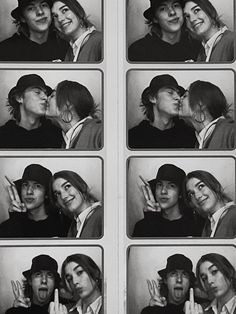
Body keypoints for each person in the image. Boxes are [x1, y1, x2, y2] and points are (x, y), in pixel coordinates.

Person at [132, 164, 203, 237]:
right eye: (159, 185)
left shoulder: (196, 225)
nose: (163, 191)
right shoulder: (142, 226)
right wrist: (151, 221)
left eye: (171, 186)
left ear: (180, 193)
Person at [0, 164, 70, 237]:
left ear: (46, 194)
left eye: (37, 186)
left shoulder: (63, 225)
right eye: (25, 185)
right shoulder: (9, 225)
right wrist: (16, 220)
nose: (29, 191)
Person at [128, 74, 196, 149]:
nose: (178, 98)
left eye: (179, 94)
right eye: (170, 92)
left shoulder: (189, 135)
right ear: (152, 98)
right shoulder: (134, 137)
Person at [0, 74, 63, 149]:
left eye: (46, 93)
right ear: (19, 98)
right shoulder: (3, 135)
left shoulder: (56, 135)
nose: (45, 97)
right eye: (37, 92)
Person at [128, 0, 201, 62]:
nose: (172, 12)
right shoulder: (139, 51)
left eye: (175, 5)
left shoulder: (197, 45)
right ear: (155, 18)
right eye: (163, 9)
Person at [0, 0, 68, 61]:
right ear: (22, 18)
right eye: (31, 8)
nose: (40, 12)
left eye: (43, 5)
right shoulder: (5, 50)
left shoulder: (65, 45)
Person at [46, 80, 102, 150]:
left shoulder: (100, 132)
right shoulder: (65, 141)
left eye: (52, 96)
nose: (46, 98)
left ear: (68, 103)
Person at [179, 80, 235, 149]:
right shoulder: (200, 141)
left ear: (201, 102)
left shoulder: (231, 132)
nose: (179, 99)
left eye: (185, 96)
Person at [183, 170, 236, 238]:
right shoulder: (209, 224)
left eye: (201, 186)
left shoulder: (233, 215)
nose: (197, 196)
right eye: (191, 194)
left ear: (215, 186)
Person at [50, 170, 103, 238]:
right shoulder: (74, 225)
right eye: (57, 194)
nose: (63, 196)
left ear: (82, 186)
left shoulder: (102, 216)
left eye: (67, 187)